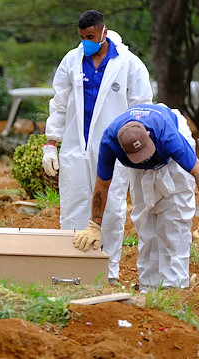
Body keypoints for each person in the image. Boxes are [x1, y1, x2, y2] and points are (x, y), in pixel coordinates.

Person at [42, 10, 153, 284]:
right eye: (81, 37)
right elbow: (58, 104)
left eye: (90, 36)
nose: (86, 42)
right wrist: (50, 144)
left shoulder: (129, 64)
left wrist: (138, 150)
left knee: (112, 207)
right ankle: (71, 273)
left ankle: (108, 273)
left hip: (114, 150)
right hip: (75, 149)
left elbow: (142, 108)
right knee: (74, 204)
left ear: (104, 32)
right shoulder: (72, 60)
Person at [73, 103, 199, 291]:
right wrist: (94, 225)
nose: (144, 159)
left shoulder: (169, 136)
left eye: (145, 153)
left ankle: (173, 286)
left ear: (149, 136)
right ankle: (149, 285)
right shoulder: (110, 142)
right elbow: (102, 185)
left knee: (174, 219)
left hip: (169, 157)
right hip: (138, 165)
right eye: (139, 156)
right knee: (145, 220)